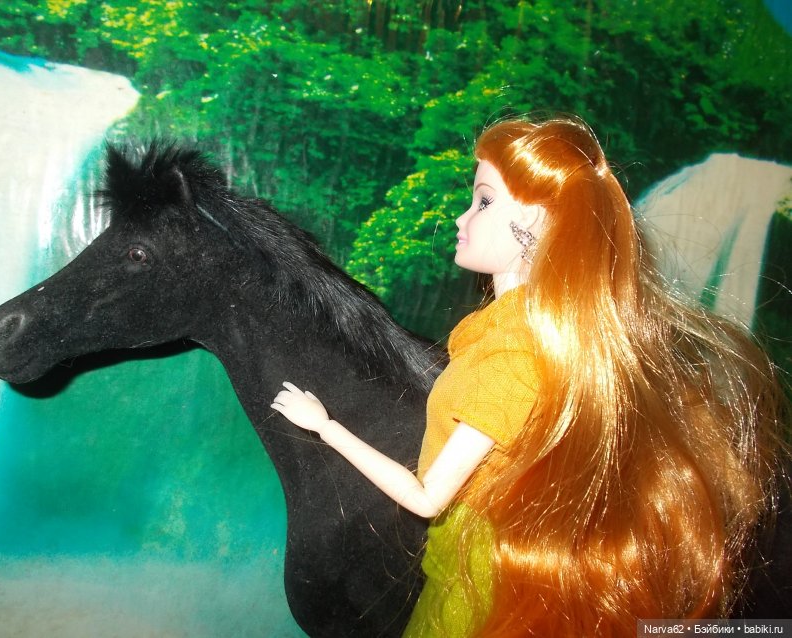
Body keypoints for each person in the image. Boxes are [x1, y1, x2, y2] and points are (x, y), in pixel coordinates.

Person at [271, 116, 785, 636]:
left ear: (533, 222)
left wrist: (324, 426)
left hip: (476, 569)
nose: (462, 218)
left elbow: (427, 498)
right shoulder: (508, 333)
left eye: (484, 202)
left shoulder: (513, 355)